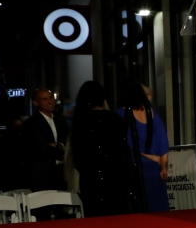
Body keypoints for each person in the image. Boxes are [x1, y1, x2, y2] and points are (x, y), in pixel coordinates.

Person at [71, 81, 132, 217]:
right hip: (115, 178)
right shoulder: (114, 119)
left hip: (91, 179)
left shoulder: (81, 121)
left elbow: (78, 157)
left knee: (96, 221)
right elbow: (122, 149)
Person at [116, 82, 170, 212]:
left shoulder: (121, 114)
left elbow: (129, 143)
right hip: (156, 171)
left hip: (135, 169)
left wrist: (154, 159)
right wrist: (162, 165)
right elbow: (163, 141)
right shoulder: (152, 113)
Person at [22, 88, 69, 192]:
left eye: (51, 98)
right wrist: (60, 148)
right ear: (36, 103)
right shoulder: (31, 123)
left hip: (61, 172)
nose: (50, 101)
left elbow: (68, 142)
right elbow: (41, 149)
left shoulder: (60, 120)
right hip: (41, 174)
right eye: (44, 99)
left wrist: (56, 146)